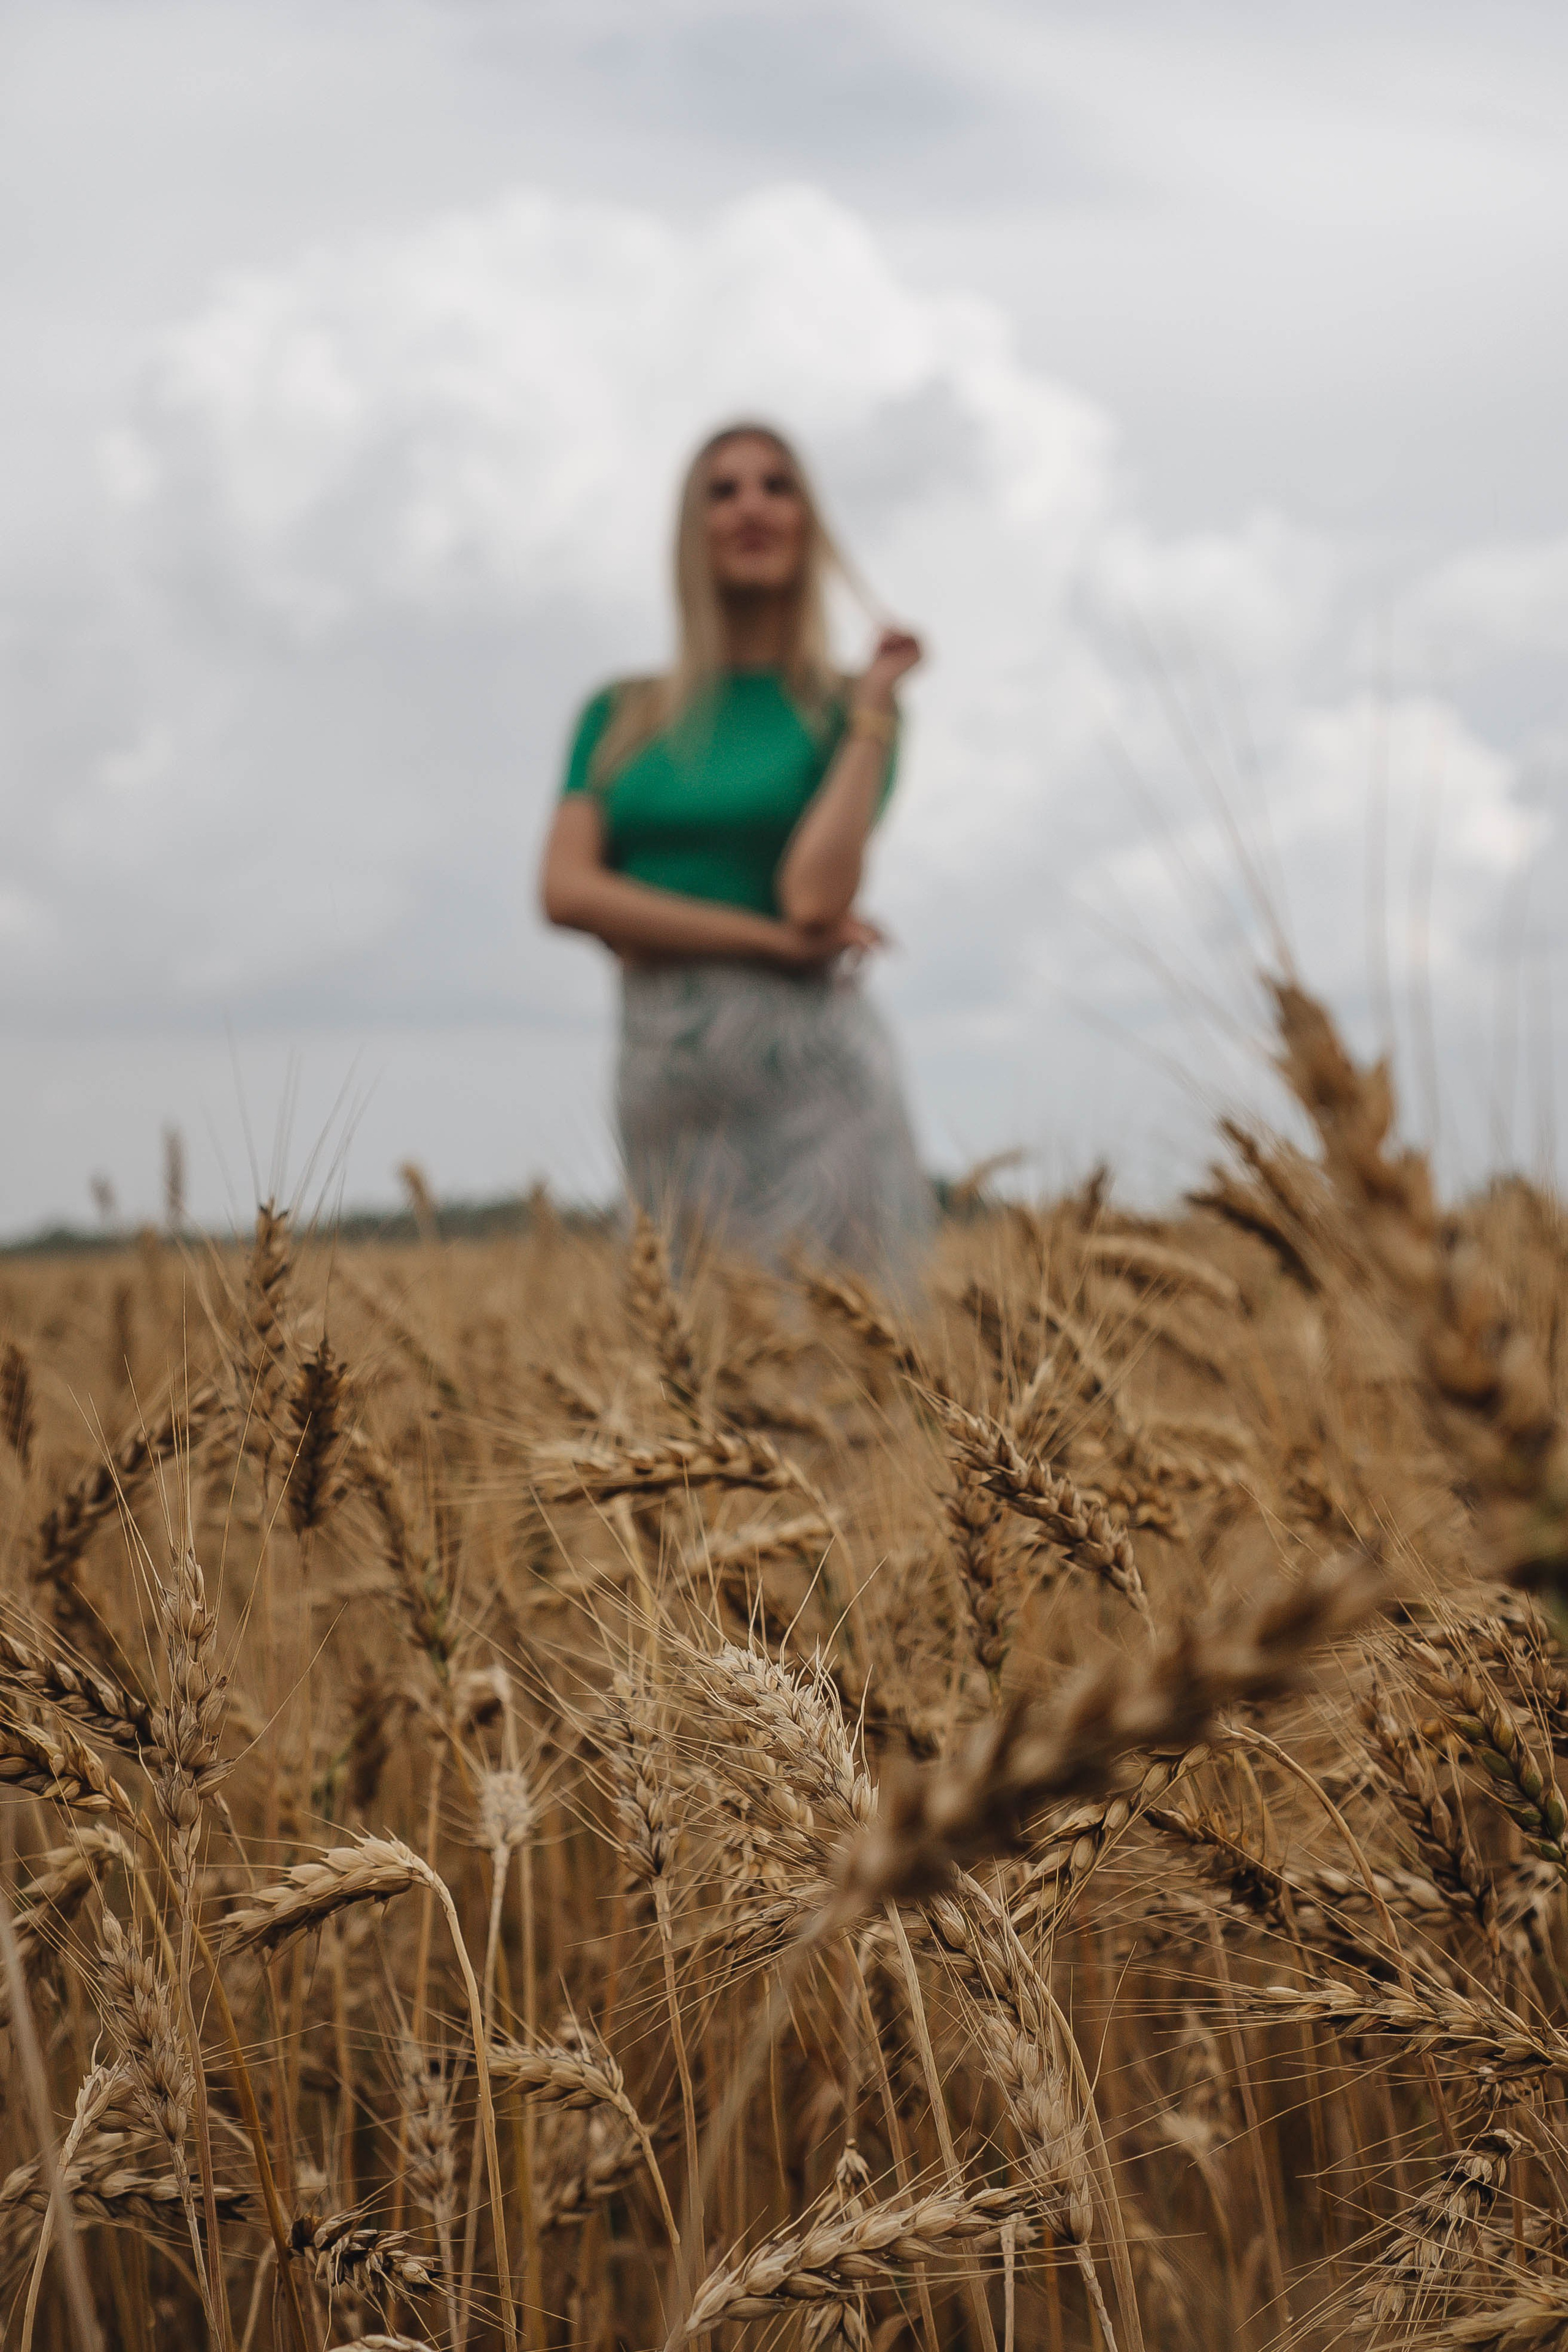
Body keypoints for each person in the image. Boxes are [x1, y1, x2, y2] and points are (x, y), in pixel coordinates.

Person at [540, 421, 932, 1274]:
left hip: (818, 1072)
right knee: (692, 1347)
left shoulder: (846, 711)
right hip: (666, 1070)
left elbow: (814, 897)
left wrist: (874, 704)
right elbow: (566, 892)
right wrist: (767, 944)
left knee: (839, 1367)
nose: (751, 505)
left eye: (776, 485)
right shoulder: (621, 713)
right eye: (723, 490)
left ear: (809, 523)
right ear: (693, 530)